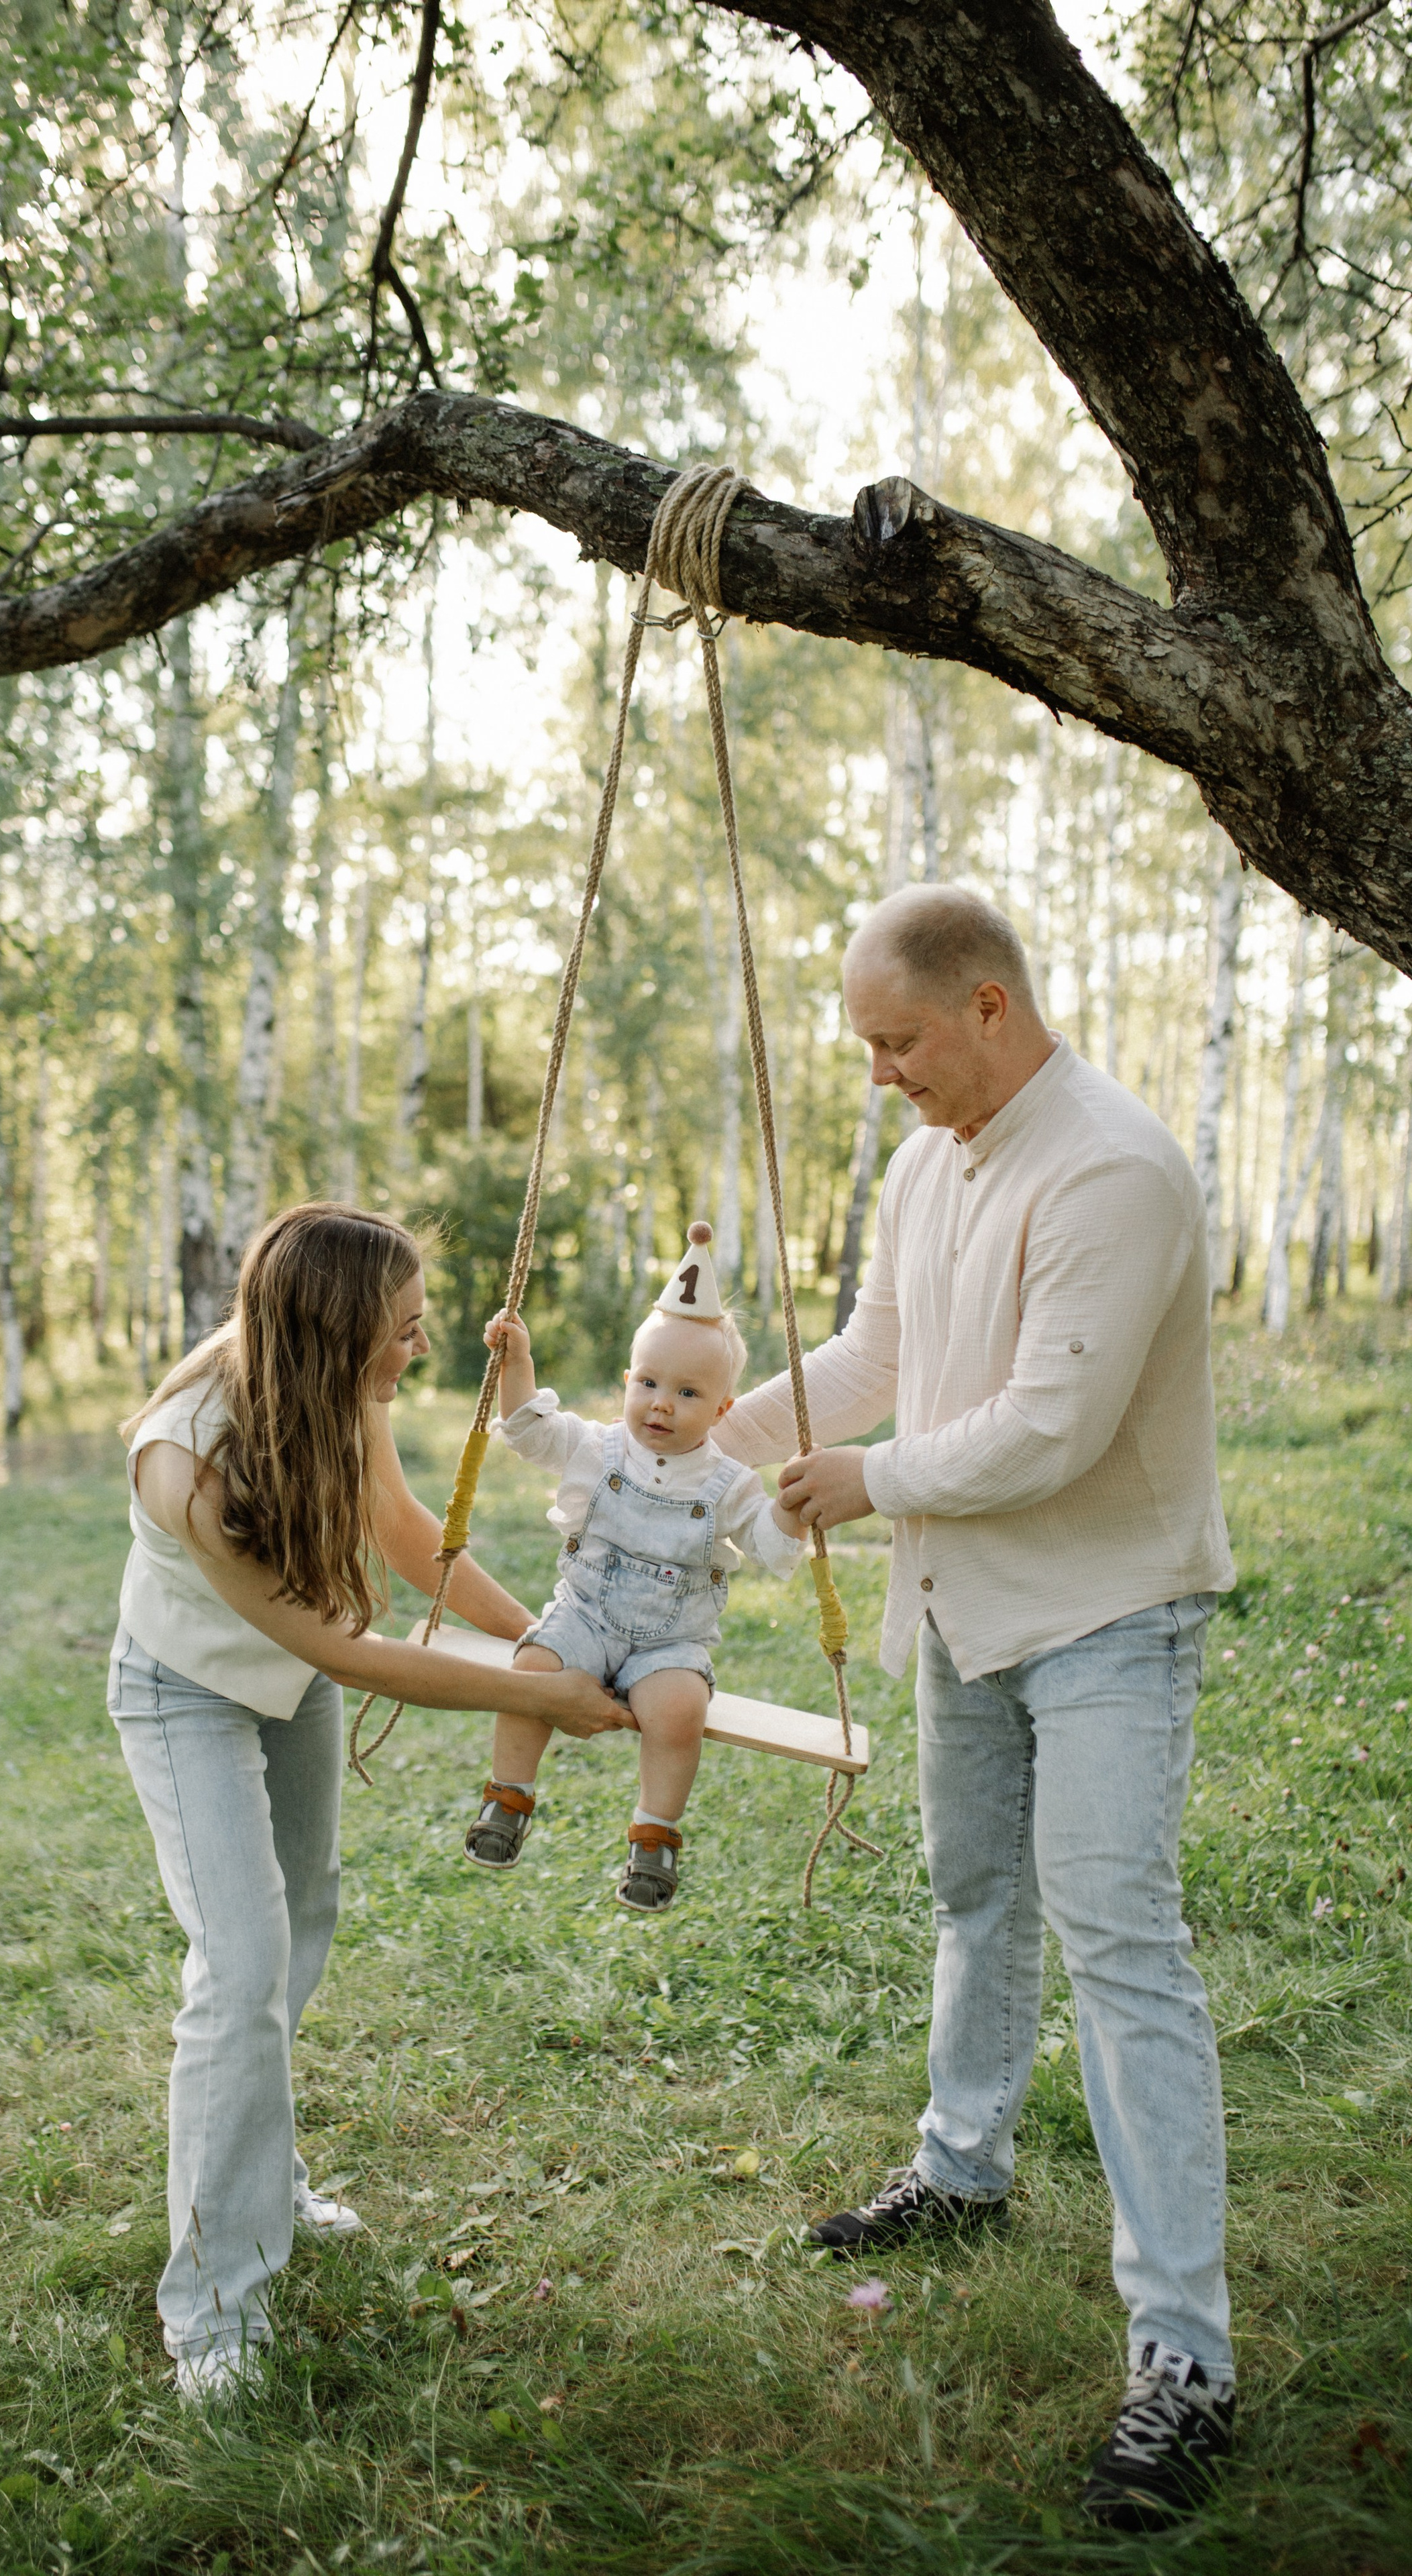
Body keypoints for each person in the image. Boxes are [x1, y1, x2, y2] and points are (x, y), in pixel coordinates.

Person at [716, 885, 1238, 2534]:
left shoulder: (1109, 1167)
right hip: (961, 1608)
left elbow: (1046, 1427)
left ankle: (1183, 2357)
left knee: (1118, 1946)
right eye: (866, 1045)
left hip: (1104, 1612)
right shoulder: (927, 1162)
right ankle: (959, 2167)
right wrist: (685, 1444)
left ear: (987, 1007)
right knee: (972, 1899)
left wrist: (860, 1484)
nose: (878, 1073)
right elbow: (870, 1357)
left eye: (896, 1041)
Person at [109, 1201, 623, 2398]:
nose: (421, 1346)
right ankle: (212, 2313)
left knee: (302, 1928)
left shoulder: (336, 1381)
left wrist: (548, 1642)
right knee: (240, 1969)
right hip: (186, 1692)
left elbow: (398, 1527)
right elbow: (353, 1654)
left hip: (288, 1681)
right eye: (403, 1328)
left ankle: (258, 2170)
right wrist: (545, 1699)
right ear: (334, 1330)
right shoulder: (184, 1459)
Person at [464, 1223, 806, 1909]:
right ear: (627, 1381)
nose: (660, 1403)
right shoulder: (597, 1448)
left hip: (670, 1642)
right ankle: (509, 1797)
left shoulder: (729, 1484)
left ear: (722, 1408)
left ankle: (654, 1836)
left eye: (687, 1393)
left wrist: (795, 1507)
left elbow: (772, 1548)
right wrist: (516, 1362)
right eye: (648, 1382)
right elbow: (527, 1431)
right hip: (586, 1617)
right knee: (530, 1670)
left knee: (679, 1711)